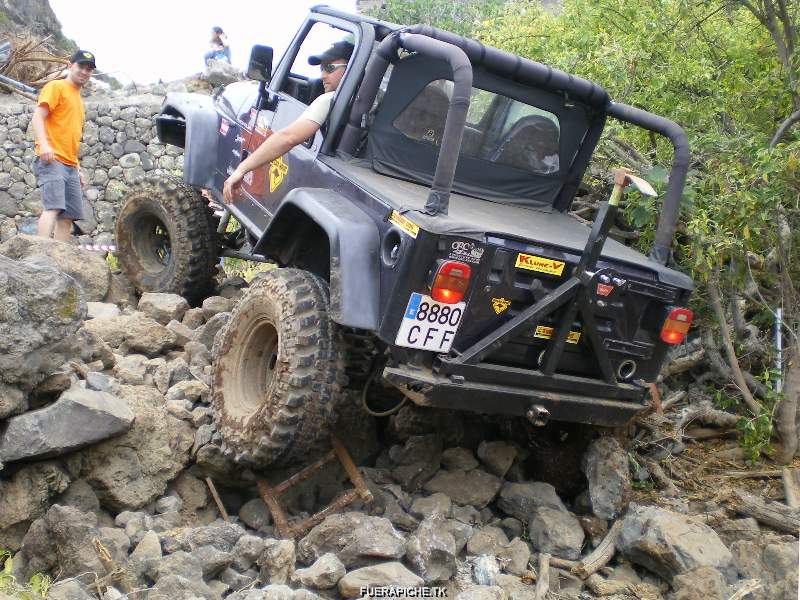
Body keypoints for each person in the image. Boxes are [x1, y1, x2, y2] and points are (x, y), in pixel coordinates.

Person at [222, 39, 353, 204]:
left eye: (329, 68)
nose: (322, 75)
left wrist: (241, 169)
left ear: (350, 69)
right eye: (321, 68)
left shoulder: (328, 100)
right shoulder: (370, 101)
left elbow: (287, 137)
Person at [32, 49, 95, 241]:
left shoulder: (78, 99)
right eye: (81, 66)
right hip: (52, 159)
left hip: (70, 164)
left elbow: (70, 136)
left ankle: (60, 265)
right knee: (53, 208)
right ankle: (41, 256)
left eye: (89, 69)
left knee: (67, 217)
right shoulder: (56, 86)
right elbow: (37, 116)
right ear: (70, 66)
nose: (84, 71)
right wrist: (44, 145)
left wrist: (77, 167)